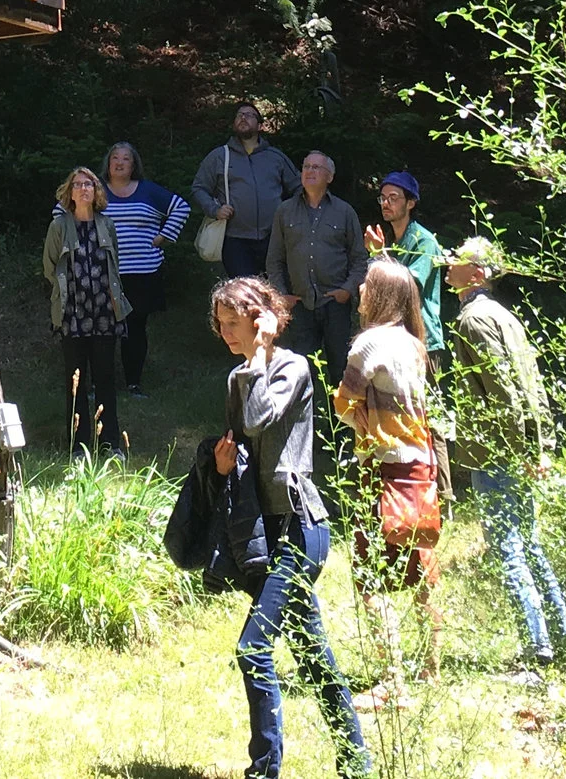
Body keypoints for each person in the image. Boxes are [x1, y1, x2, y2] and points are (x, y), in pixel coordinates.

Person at [210, 276, 370, 779]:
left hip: (302, 529)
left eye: (234, 323)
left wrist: (259, 354)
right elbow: (242, 443)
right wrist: (221, 465)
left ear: (263, 320)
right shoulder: (238, 377)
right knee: (314, 655)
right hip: (265, 529)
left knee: (252, 648)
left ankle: (264, 771)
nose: (226, 333)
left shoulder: (292, 368)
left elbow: (260, 418)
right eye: (221, 324)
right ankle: (357, 764)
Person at [448, 236, 566, 669]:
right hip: (517, 449)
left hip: (497, 453)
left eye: (459, 259)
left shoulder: (473, 320)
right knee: (529, 544)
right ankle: (563, 637)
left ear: (477, 274)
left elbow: (504, 391)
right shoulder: (505, 316)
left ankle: (537, 649)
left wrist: (516, 450)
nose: (449, 262)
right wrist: (540, 447)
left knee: (508, 549)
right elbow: (533, 386)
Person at [332, 259, 445, 699]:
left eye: (366, 285)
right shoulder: (414, 344)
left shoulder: (369, 343)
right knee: (421, 569)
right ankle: (431, 669)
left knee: (370, 574)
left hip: (384, 468)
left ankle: (392, 682)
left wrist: (357, 412)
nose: (360, 291)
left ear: (380, 295)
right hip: (420, 465)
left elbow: (343, 403)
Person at [49, 142, 189, 397]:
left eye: (126, 158)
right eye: (115, 158)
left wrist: (164, 236)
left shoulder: (148, 191)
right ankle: (96, 384)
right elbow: (60, 211)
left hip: (142, 272)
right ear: (108, 163)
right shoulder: (96, 190)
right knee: (98, 329)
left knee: (135, 327)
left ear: (134, 165)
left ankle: (133, 383)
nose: (120, 163)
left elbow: (182, 207)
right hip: (99, 272)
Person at [265, 151, 366, 443]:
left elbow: (359, 258)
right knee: (301, 370)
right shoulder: (285, 211)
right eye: (306, 167)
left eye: (316, 168)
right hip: (300, 306)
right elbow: (274, 259)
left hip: (335, 304)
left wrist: (347, 290)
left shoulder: (344, 212)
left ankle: (343, 435)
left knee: (340, 369)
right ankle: (302, 433)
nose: (309, 171)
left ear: (329, 177)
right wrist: (281, 295)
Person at [42, 167, 130, 456]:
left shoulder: (107, 224)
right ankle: (78, 446)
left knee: (105, 379)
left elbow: (115, 266)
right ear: (69, 193)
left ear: (96, 191)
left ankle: (110, 443)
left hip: (105, 312)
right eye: (77, 185)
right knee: (76, 381)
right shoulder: (59, 227)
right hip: (72, 315)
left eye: (88, 184)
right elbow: (50, 267)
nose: (83, 189)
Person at [192, 105, 299, 281]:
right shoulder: (219, 156)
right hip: (235, 241)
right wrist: (214, 210)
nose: (243, 118)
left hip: (273, 238)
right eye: (239, 115)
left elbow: (298, 186)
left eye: (249, 115)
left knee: (276, 288)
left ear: (260, 126)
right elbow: (199, 188)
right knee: (245, 292)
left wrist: (291, 215)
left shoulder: (275, 157)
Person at [364, 172, 449, 377]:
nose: (386, 203)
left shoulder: (424, 241)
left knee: (424, 398)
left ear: (410, 203)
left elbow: (406, 287)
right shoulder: (393, 241)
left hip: (422, 340)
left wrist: (379, 254)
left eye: (393, 198)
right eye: (383, 198)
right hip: (397, 336)